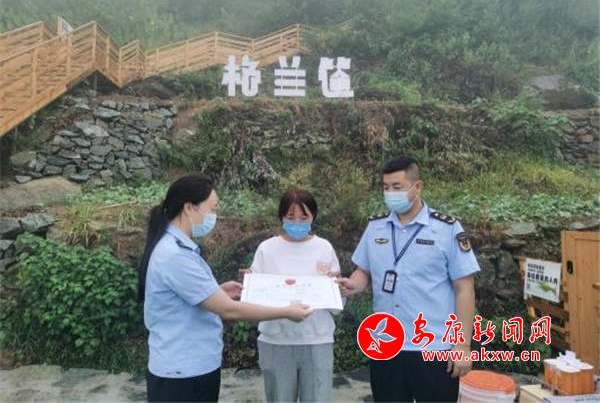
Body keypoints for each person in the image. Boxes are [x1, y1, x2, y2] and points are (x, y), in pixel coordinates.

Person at [138, 174, 313, 403]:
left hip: (192, 365)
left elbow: (186, 296)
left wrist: (218, 291)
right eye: (212, 209)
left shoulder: (177, 248)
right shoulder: (174, 256)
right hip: (182, 373)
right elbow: (229, 310)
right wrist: (286, 312)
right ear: (189, 208)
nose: (214, 215)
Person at [337, 155, 480, 403]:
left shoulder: (446, 229)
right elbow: (364, 271)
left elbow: (465, 289)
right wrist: (353, 284)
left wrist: (462, 346)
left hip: (433, 346)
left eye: (397, 187)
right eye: (385, 187)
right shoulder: (376, 227)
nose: (390, 193)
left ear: (418, 187)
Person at [246, 188, 342, 403]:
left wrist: (338, 288)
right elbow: (254, 300)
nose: (297, 222)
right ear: (282, 217)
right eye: (290, 217)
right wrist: (251, 284)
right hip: (276, 340)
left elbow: (335, 301)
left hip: (317, 339)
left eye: (304, 217)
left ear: (313, 216)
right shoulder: (267, 249)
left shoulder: (324, 248)